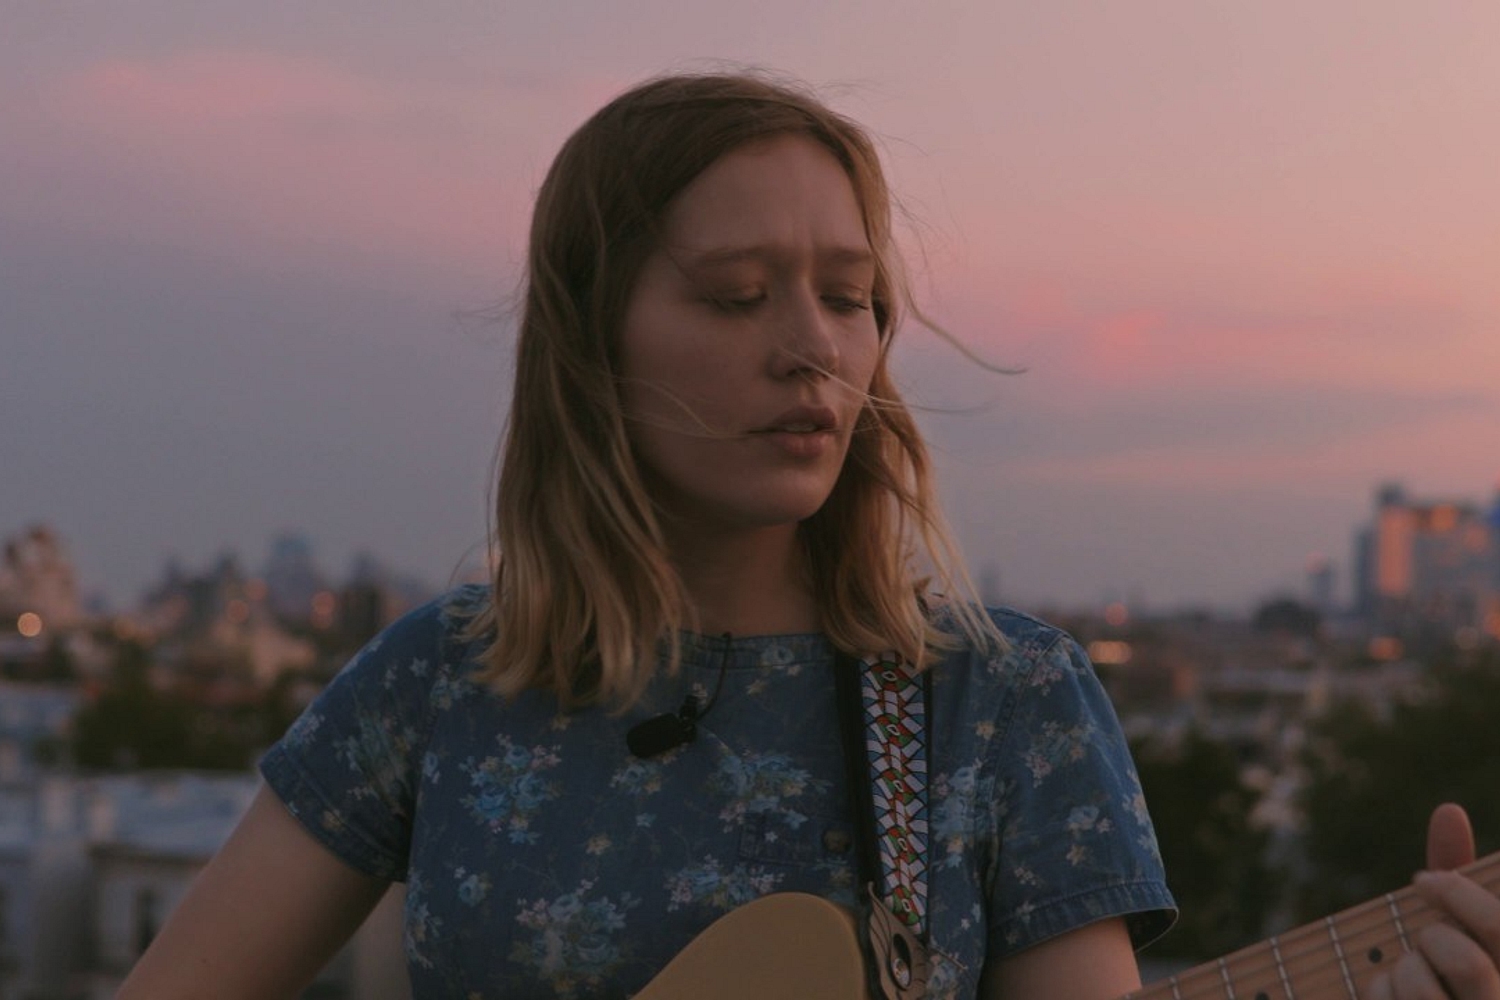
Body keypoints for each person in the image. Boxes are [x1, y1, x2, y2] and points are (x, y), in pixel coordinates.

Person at [117, 72, 1500, 1000]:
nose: (812, 351)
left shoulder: (1003, 698)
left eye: (849, 296)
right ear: (591, 345)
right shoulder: (439, 682)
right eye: (734, 297)